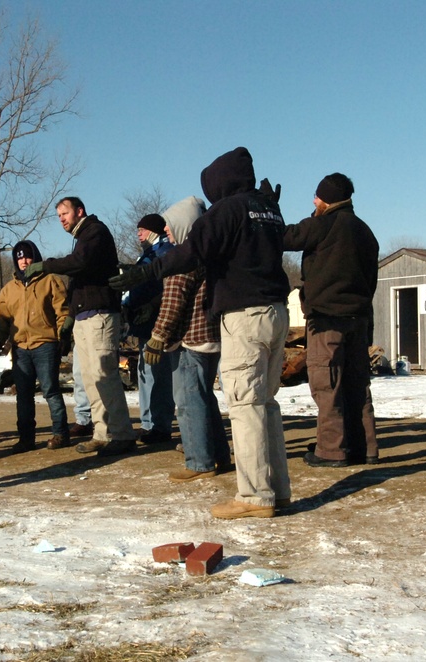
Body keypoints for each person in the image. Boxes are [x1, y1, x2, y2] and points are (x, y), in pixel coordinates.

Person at [110, 147, 292, 518]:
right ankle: (278, 489)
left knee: (245, 405)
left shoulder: (229, 209)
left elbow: (192, 251)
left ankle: (255, 496)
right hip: (277, 311)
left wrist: (148, 271)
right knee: (267, 403)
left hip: (245, 315)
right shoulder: (268, 207)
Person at [24, 197, 136, 456]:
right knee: (89, 379)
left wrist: (46, 266)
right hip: (85, 316)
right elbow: (78, 278)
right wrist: (70, 318)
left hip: (100, 316)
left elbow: (79, 262)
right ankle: (101, 433)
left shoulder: (95, 232)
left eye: (65, 213)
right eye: (59, 215)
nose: (61, 218)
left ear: (79, 211)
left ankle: (122, 434)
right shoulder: (82, 237)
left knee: (103, 375)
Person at [283, 173, 379, 467]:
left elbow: (286, 237)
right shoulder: (365, 231)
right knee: (356, 384)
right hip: (359, 318)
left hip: (326, 320)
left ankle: (331, 450)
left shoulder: (322, 225)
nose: (313, 201)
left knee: (326, 384)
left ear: (326, 199)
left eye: (317, 197)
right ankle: (365, 448)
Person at [144, 196, 231, 482]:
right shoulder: (211, 252)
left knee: (189, 401)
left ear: (184, 225)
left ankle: (198, 461)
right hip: (213, 336)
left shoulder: (184, 256)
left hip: (191, 339)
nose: (165, 230)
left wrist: (158, 337)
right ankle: (219, 455)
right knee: (205, 398)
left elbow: (173, 300)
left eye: (169, 225)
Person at [0, 240, 70, 453]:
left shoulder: (51, 280)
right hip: (20, 347)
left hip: (46, 344)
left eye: (28, 257)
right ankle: (26, 439)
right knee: (23, 395)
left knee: (50, 390)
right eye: (20, 258)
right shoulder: (9, 289)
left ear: (35, 257)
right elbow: (2, 319)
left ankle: (60, 433)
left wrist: (64, 336)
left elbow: (63, 311)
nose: (24, 261)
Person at [123, 213, 175, 446]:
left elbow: (165, 287)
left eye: (142, 229)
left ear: (153, 230)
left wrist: (151, 304)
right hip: (144, 325)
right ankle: (149, 424)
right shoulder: (147, 255)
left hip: (158, 324)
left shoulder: (164, 252)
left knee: (159, 377)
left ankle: (160, 426)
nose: (138, 234)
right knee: (146, 375)